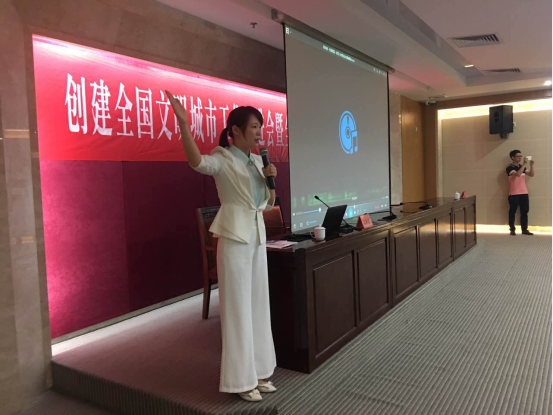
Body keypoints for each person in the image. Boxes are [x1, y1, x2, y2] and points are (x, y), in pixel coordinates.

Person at [166, 91, 278, 402]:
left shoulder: (258, 161)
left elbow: (268, 202)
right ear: (235, 131)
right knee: (237, 309)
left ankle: (259, 371)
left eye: (260, 127)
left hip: (256, 237)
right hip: (234, 239)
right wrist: (184, 124)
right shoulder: (223, 158)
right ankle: (241, 380)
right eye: (253, 127)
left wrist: (270, 179)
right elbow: (197, 162)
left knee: (258, 305)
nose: (259, 132)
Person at [506, 149, 534, 236]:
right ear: (512, 157)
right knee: (512, 211)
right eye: (518, 156)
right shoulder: (509, 168)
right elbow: (517, 174)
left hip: (524, 193)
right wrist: (525, 164)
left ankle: (524, 229)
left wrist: (531, 165)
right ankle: (512, 229)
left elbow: (531, 174)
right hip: (514, 194)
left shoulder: (522, 167)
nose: (520, 158)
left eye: (520, 156)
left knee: (524, 211)